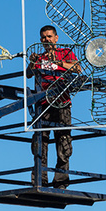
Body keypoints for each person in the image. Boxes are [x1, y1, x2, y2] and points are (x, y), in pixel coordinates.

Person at [27, 25, 79, 189]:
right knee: (40, 142)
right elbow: (28, 74)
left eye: (49, 36)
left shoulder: (65, 53)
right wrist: (32, 63)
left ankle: (61, 181)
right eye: (43, 37)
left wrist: (58, 62)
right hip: (43, 103)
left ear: (56, 38)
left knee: (63, 141)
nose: (46, 40)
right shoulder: (40, 58)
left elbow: (77, 68)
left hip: (62, 102)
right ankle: (40, 180)